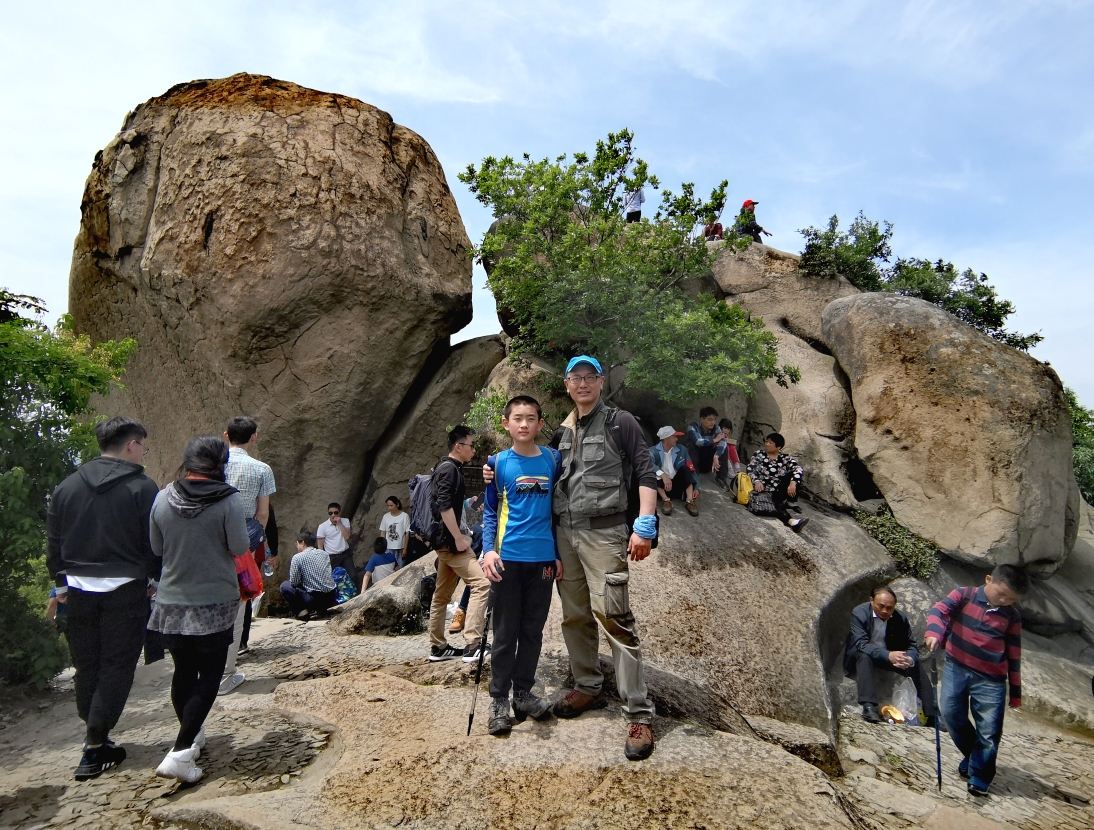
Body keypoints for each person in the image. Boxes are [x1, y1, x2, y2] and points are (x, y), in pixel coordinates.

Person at [529, 355, 659, 759]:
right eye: (575, 377)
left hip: (606, 533)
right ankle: (587, 686)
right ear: (567, 384)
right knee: (575, 616)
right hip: (565, 533)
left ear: (601, 382)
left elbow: (645, 471)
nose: (582, 383)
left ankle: (639, 712)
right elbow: (542, 476)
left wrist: (644, 525)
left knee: (615, 619)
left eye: (590, 377)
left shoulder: (622, 422)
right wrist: (492, 470)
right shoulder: (562, 432)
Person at [45, 416, 160, 781]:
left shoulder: (66, 487)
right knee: (117, 665)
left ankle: (97, 732)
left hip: (77, 589)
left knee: (87, 665)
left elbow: (54, 543)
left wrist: (60, 586)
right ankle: (94, 747)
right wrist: (154, 579)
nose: (142, 450)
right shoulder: (143, 488)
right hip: (126, 589)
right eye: (141, 444)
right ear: (131, 444)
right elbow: (154, 542)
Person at [148, 436, 250, 783]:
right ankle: (179, 752)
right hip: (215, 599)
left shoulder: (163, 497)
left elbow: (156, 547)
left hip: (171, 600)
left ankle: (191, 735)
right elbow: (239, 545)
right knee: (209, 675)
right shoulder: (228, 500)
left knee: (183, 672)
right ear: (221, 465)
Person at [480, 395, 564, 735]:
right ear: (506, 423)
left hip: (542, 560)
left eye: (531, 418)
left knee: (532, 631)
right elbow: (489, 512)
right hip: (508, 560)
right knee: (504, 634)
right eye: (518, 418)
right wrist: (487, 551)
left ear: (541, 424)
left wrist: (557, 553)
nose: (524, 424)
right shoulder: (497, 464)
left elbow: (558, 511)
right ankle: (499, 698)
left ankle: (524, 693)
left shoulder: (552, 460)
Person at [925, 564, 1029, 797]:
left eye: (1011, 599)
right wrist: (934, 632)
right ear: (988, 579)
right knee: (951, 714)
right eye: (1000, 593)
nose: (1003, 600)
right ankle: (975, 758)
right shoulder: (965, 595)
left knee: (990, 730)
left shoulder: (1012, 617)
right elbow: (938, 610)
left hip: (991, 680)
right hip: (956, 667)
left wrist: (1016, 693)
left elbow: (1014, 655)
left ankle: (980, 776)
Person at [219, 416, 276, 696]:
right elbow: (263, 514)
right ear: (253, 438)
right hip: (242, 545)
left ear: (225, 435)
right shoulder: (262, 469)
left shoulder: (214, 464)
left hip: (210, 540)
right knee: (239, 604)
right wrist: (253, 542)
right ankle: (226, 675)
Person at [427, 426, 492, 663]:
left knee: (442, 594)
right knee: (482, 584)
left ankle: (438, 647)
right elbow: (443, 506)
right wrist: (458, 537)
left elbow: (446, 504)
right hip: (449, 543)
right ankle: (473, 644)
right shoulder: (450, 470)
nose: (473, 449)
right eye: (471, 445)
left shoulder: (447, 468)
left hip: (442, 542)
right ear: (458, 446)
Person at [844, 586, 936, 726]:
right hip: (864, 653)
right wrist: (888, 655)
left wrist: (909, 659)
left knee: (916, 666)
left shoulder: (900, 618)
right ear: (871, 601)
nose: (885, 611)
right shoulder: (859, 613)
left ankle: (932, 715)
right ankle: (868, 706)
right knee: (864, 656)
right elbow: (861, 644)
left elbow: (911, 645)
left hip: (887, 654)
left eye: (889, 607)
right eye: (881, 606)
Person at [745, 432, 809, 532]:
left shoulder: (785, 458)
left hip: (779, 489)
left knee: (794, 475)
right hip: (763, 488)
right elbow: (750, 468)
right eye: (766, 441)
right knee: (776, 503)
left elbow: (798, 469)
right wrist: (756, 481)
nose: (766, 444)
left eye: (770, 443)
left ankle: (789, 501)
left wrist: (793, 483)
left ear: (778, 446)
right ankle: (792, 522)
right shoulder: (759, 454)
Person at [280, 531, 338, 619]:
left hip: (314, 599)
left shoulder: (297, 557)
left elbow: (294, 582)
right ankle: (322, 609)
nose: (297, 546)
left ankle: (302, 613)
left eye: (297, 544)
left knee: (285, 586)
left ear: (303, 543)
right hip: (331, 596)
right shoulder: (324, 554)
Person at [650, 426, 699, 517]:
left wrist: (696, 487)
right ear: (666, 439)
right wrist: (664, 476)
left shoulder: (682, 449)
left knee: (686, 469)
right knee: (652, 474)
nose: (676, 439)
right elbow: (650, 464)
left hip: (676, 484)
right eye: (674, 437)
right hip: (661, 486)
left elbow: (691, 468)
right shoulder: (653, 451)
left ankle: (690, 501)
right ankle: (666, 500)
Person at [686, 406, 730, 489]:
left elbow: (723, 441)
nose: (712, 422)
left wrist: (716, 455)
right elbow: (697, 441)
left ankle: (721, 478)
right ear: (702, 419)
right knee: (692, 445)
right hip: (695, 461)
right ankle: (693, 476)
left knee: (723, 447)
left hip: (709, 463)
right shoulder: (693, 426)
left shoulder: (716, 428)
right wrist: (714, 440)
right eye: (710, 419)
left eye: (714, 419)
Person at [379, 496, 411, 568]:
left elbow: (407, 533)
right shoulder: (385, 516)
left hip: (400, 547)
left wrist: (405, 548)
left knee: (400, 567)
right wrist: (382, 547)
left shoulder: (404, 516)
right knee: (389, 567)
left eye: (391, 505)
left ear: (397, 504)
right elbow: (383, 532)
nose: (390, 508)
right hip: (388, 547)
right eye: (388, 506)